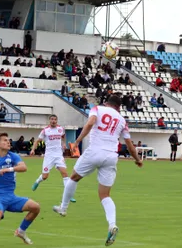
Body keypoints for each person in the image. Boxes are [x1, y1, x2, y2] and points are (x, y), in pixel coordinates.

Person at [52, 95, 142, 246]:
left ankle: (63, 207)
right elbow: (129, 144)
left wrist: (77, 141)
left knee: (74, 177)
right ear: (119, 107)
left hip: (94, 151)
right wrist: (138, 159)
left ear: (106, 103)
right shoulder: (122, 120)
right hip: (111, 156)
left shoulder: (97, 109)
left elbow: (90, 124)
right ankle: (112, 224)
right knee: (105, 195)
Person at [0, 132, 40, 247]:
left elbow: (23, 167)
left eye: (8, 140)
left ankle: (21, 231)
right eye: (5, 140)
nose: (8, 142)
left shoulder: (12, 156)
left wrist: (8, 169)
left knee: (35, 207)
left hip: (11, 197)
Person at [30, 115, 76, 203]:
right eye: (52, 119)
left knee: (65, 174)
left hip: (58, 155)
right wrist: (33, 149)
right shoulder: (45, 130)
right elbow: (37, 141)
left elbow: (63, 136)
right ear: (49, 120)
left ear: (57, 120)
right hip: (49, 156)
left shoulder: (60, 129)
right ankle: (37, 181)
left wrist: (63, 143)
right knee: (45, 176)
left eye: (55, 119)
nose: (53, 121)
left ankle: (69, 195)